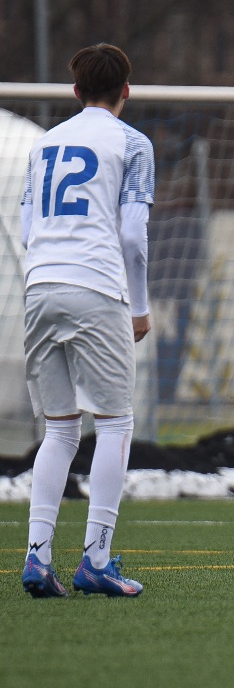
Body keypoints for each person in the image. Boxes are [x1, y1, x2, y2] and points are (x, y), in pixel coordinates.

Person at [19, 43, 153, 598]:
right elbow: (132, 235)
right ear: (126, 90)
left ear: (76, 92)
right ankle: (96, 558)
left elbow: (27, 229)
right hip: (95, 287)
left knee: (60, 429)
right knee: (116, 424)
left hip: (38, 288)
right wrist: (139, 307)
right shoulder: (132, 142)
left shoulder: (44, 143)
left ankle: (37, 557)